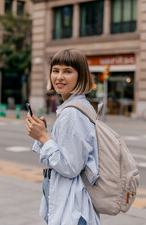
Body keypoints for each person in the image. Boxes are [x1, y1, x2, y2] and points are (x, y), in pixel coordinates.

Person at [25, 49, 101, 225]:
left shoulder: (72, 113)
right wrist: (42, 135)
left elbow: (70, 167)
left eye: (68, 71)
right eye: (55, 70)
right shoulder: (79, 106)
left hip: (71, 210)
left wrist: (44, 137)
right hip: (73, 206)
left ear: (80, 76)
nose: (59, 77)